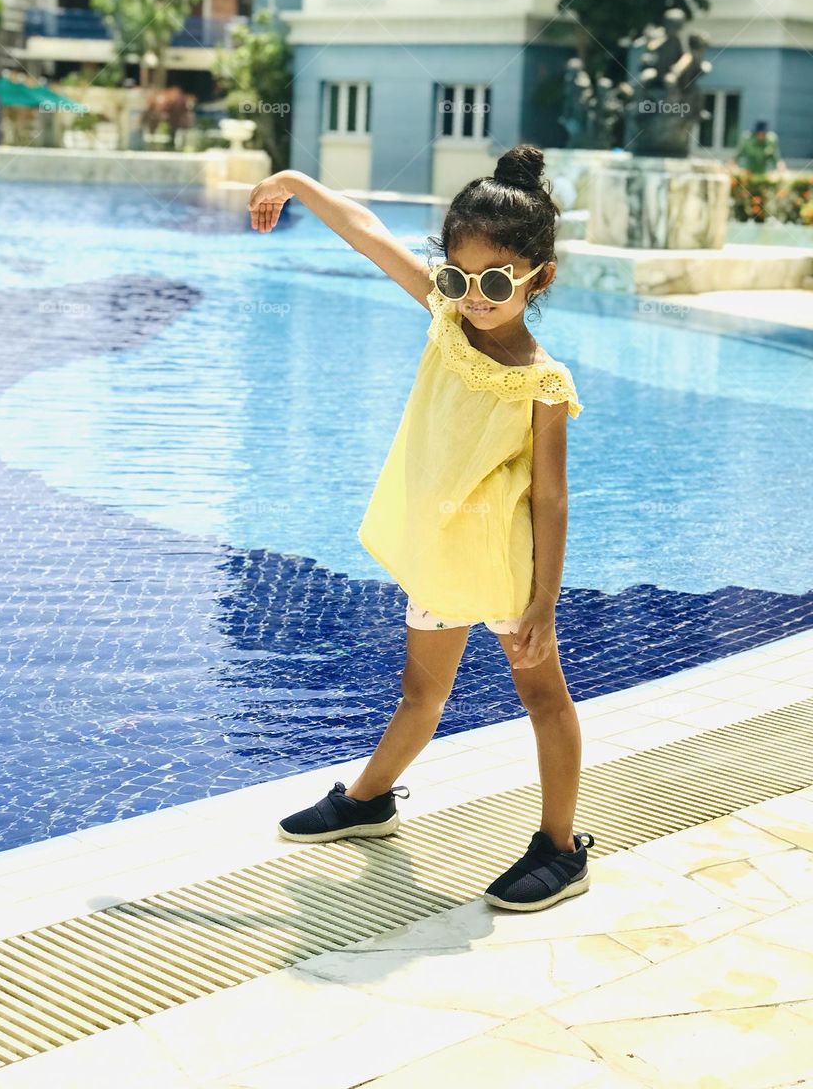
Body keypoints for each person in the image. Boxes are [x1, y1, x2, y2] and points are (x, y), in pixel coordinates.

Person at [246, 143, 595, 913]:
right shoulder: (444, 317)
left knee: (543, 699)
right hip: (443, 556)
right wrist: (296, 181)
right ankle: (370, 801)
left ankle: (562, 847)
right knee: (419, 692)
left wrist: (544, 603)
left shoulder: (542, 380)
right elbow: (369, 231)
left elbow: (551, 499)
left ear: (541, 276)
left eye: (497, 281)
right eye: (458, 276)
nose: (475, 296)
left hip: (504, 565)